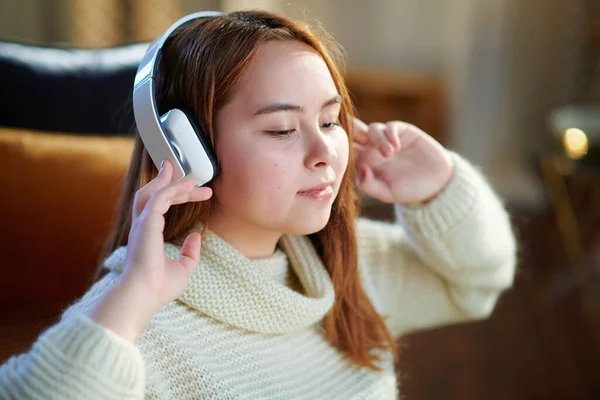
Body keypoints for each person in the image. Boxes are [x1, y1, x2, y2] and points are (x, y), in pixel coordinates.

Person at [0, 9, 516, 400]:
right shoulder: (135, 316)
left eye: (331, 120)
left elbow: (476, 284)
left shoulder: (346, 267)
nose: (324, 154)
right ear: (189, 150)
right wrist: (133, 298)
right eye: (282, 129)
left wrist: (441, 185)